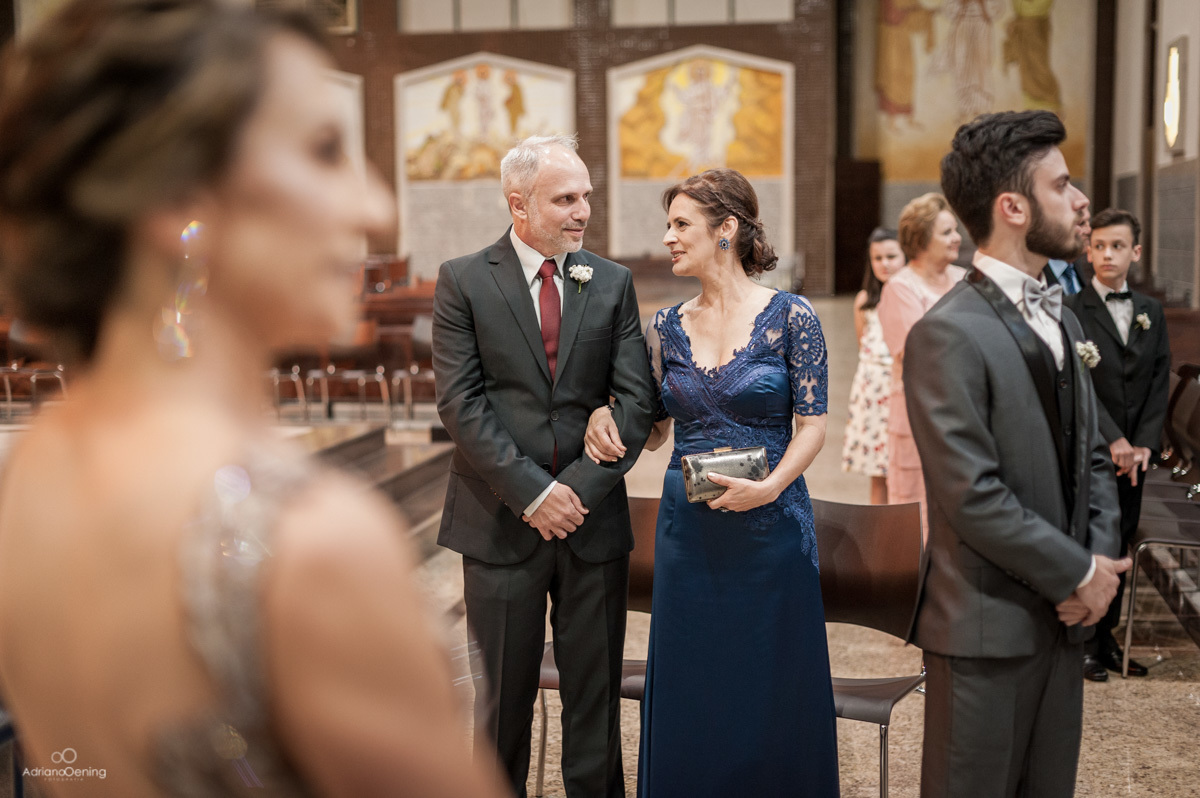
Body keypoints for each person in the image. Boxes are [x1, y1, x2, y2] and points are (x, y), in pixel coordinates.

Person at [0, 2, 508, 797]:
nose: (375, 208)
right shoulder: (310, 549)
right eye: (325, 151)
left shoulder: (29, 471)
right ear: (180, 197)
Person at [584, 168, 839, 797]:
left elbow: (813, 426)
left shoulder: (792, 316)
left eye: (681, 224)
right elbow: (653, 431)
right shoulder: (665, 326)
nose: (667, 238)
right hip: (688, 531)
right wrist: (604, 414)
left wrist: (772, 487)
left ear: (726, 229)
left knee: (771, 677)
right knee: (693, 678)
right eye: (668, 224)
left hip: (771, 524)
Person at [905, 109, 1126, 797]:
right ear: (1013, 208)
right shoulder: (946, 333)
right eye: (1062, 186)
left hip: (1066, 624)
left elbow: (1094, 456)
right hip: (986, 631)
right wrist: (1077, 572)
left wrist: (1099, 568)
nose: (1081, 201)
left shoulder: (1063, 314)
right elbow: (972, 495)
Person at [432, 134, 655, 798]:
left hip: (591, 524)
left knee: (595, 705)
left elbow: (636, 400)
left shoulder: (611, 282)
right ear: (518, 204)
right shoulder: (464, 281)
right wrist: (534, 493)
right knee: (501, 706)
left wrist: (573, 493)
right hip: (499, 523)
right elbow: (461, 403)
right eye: (565, 199)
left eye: (586, 196)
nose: (582, 211)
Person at [1067, 208, 1171, 682]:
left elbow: (1158, 379)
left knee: (1124, 537)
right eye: (1100, 246)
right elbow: (1078, 383)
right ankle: (1083, 642)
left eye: (1118, 246)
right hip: (1093, 446)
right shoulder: (1072, 309)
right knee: (1094, 539)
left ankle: (1107, 637)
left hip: (1135, 457)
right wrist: (1113, 439)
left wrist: (1145, 444)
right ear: (1088, 252)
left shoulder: (1151, 311)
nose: (1108, 254)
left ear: (1136, 252)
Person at [876, 193, 965, 533]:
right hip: (921, 413)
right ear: (923, 239)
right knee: (918, 510)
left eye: (955, 230)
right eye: (947, 232)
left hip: (965, 409)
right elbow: (919, 354)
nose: (957, 238)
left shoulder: (965, 280)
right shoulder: (901, 288)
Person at [842, 227, 905, 504]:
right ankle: (880, 529)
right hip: (873, 395)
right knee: (878, 473)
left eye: (891, 256)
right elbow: (863, 346)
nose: (884, 264)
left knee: (905, 470)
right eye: (878, 258)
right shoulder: (864, 301)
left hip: (902, 389)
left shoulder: (910, 297)